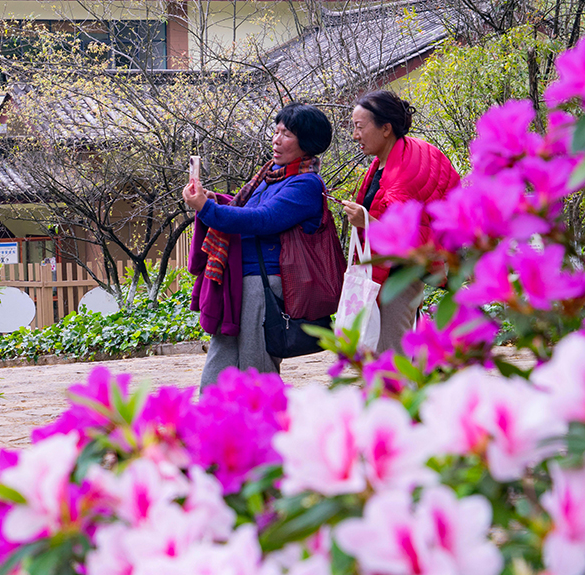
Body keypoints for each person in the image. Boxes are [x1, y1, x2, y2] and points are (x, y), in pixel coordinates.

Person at [183, 103, 331, 388]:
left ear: (307, 141)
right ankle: (208, 425)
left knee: (256, 367)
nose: (276, 140)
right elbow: (246, 207)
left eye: (286, 133)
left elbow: (263, 219)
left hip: (264, 285)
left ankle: (266, 429)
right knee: (220, 361)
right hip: (239, 280)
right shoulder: (270, 175)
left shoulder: (306, 184)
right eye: (276, 131)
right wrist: (212, 200)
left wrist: (205, 208)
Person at [341, 90, 460, 354]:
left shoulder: (404, 173)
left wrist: (366, 221)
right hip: (393, 272)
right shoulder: (392, 159)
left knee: (391, 356)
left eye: (360, 127)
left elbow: (407, 236)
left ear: (386, 128)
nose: (355, 135)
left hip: (402, 275)